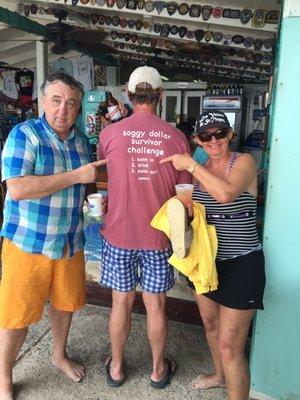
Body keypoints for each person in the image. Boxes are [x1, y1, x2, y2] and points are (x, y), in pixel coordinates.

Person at [0, 72, 107, 400]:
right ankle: (4, 376)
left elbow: (86, 185)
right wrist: (77, 176)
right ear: (43, 102)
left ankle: (58, 354)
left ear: (78, 109)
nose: (64, 109)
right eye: (57, 100)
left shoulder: (81, 143)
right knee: (16, 314)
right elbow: (17, 188)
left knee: (64, 305)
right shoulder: (24, 135)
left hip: (70, 242)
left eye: (71, 103)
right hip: (28, 243)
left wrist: (96, 197)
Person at [160, 110, 265, 400]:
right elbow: (203, 213)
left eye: (220, 133)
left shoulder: (242, 161)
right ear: (198, 139)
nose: (214, 140)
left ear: (230, 134)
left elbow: (226, 195)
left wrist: (191, 165)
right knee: (210, 325)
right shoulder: (201, 168)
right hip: (206, 263)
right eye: (206, 136)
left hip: (242, 264)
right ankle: (219, 376)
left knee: (231, 346)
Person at [97, 66, 191, 389]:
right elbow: (185, 201)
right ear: (161, 96)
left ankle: (117, 369)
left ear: (128, 94)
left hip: (119, 234)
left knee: (120, 302)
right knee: (156, 304)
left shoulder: (108, 135)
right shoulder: (177, 138)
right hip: (157, 238)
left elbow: (109, 177)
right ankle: (157, 370)